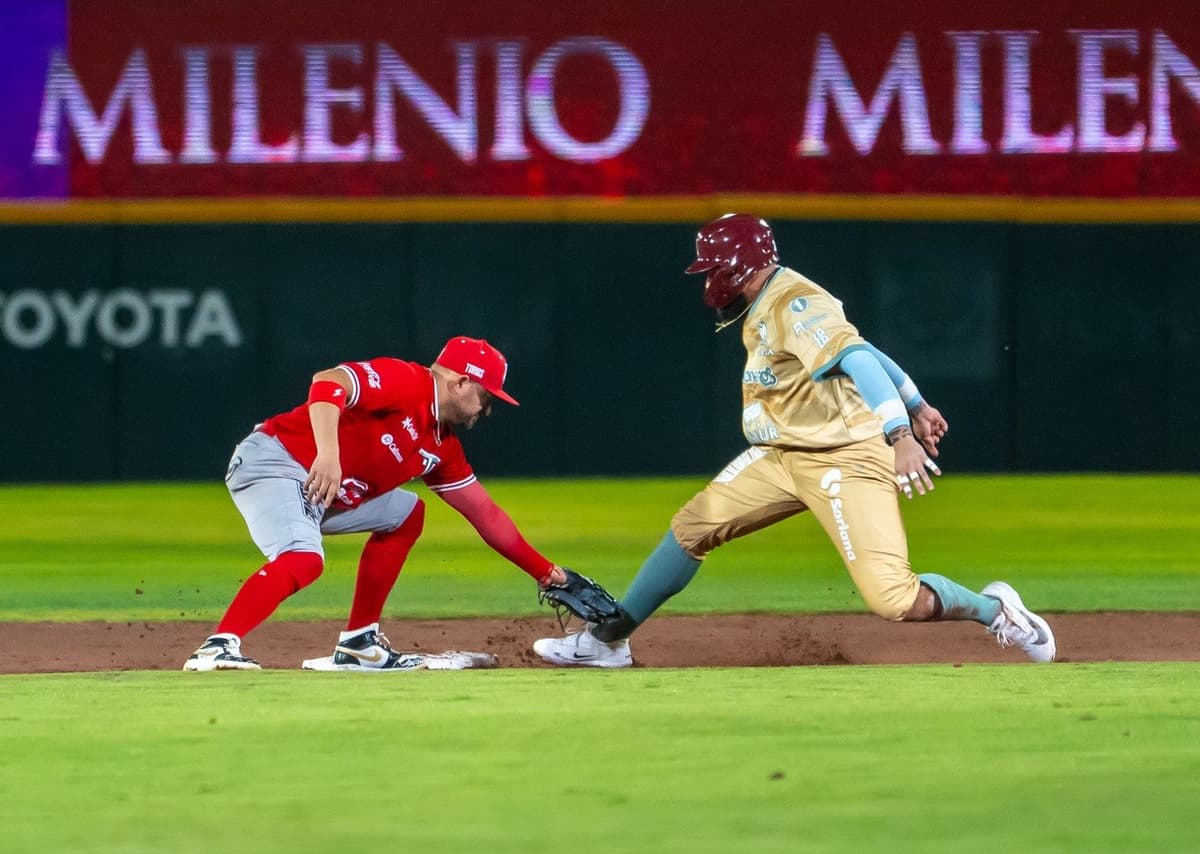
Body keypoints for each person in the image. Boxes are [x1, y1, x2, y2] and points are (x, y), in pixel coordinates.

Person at [533, 213, 1055, 668]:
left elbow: (855, 358)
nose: (710, 280)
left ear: (738, 264)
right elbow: (864, 347)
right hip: (783, 454)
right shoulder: (765, 301)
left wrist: (900, 430)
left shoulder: (794, 303)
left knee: (895, 599)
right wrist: (916, 402)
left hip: (845, 456)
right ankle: (607, 641)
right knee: (693, 527)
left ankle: (996, 610)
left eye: (714, 268)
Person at [185, 336, 568, 671]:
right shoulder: (408, 382)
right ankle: (217, 647)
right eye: (485, 397)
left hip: (321, 491)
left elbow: (486, 515)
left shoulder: (441, 446)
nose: (486, 409)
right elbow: (327, 382)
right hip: (276, 462)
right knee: (303, 558)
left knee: (406, 514)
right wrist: (329, 454)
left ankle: (358, 644)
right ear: (461, 381)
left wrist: (546, 572)